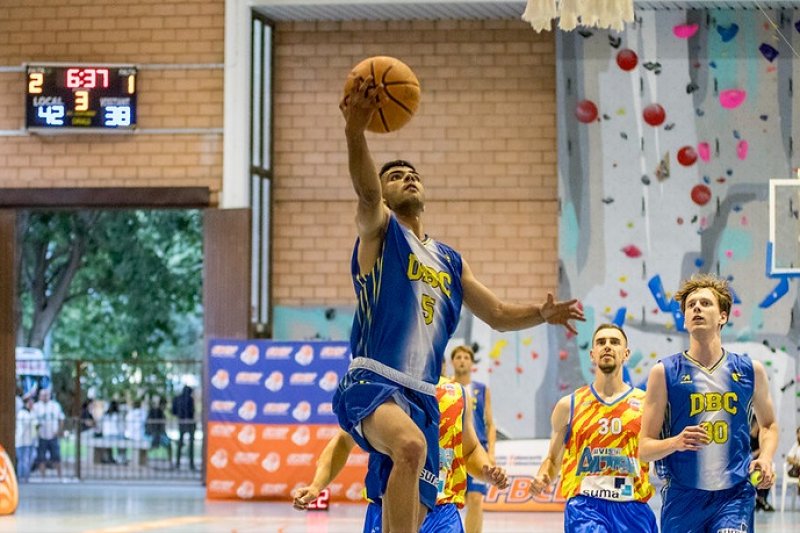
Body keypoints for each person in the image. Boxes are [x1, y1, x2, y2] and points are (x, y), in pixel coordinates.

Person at [334, 72, 585, 532]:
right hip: (372, 380)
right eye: (395, 175)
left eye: (413, 174)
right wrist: (355, 129)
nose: (406, 178)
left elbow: (499, 315)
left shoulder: (450, 260)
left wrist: (542, 314)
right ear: (385, 192)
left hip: (424, 393)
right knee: (410, 446)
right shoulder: (380, 231)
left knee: (418, 502)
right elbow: (366, 192)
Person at [639, 273, 779, 533]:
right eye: (691, 305)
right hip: (683, 498)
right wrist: (676, 442)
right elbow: (644, 448)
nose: (697, 308)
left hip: (734, 496)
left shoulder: (750, 370)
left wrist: (767, 458)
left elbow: (769, 424)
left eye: (705, 303)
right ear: (684, 320)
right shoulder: (664, 372)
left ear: (723, 316)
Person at [295, 372, 508, 532]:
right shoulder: (383, 393)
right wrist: (316, 486)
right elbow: (342, 442)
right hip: (385, 510)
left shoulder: (455, 394)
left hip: (441, 511)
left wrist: (486, 470)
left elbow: (469, 451)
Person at [529, 324, 657, 533]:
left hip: (633, 507)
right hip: (585, 507)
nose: (607, 346)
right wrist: (544, 476)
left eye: (614, 342)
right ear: (592, 355)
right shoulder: (568, 405)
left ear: (626, 354)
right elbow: (553, 460)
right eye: (601, 342)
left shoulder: (646, 405)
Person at [450, 345, 495, 533]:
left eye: (466, 357)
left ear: (472, 363)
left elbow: (490, 424)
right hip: (452, 451)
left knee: (476, 499)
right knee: (451, 500)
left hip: (477, 450)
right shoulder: (447, 387)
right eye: (458, 357)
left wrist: (490, 453)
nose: (462, 360)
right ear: (452, 361)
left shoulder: (481, 390)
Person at [32, 388, 65, 478]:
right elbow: (33, 421)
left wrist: (59, 431)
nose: (45, 397)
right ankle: (43, 477)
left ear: (50, 395)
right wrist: (36, 431)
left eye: (46, 395)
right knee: (41, 458)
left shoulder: (55, 406)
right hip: (42, 436)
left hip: (53, 435)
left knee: (57, 457)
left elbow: (61, 418)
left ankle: (60, 476)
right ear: (39, 396)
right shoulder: (36, 406)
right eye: (43, 395)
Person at [749, 414, 774, 511]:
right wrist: (758, 452)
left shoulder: (762, 437)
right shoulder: (748, 438)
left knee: (766, 474)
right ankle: (759, 500)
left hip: (759, 466)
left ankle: (762, 500)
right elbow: (749, 455)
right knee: (756, 476)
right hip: (750, 467)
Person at [172, 385, 196, 470]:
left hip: (182, 422)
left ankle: (178, 463)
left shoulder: (177, 398)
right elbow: (192, 411)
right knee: (190, 444)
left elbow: (173, 411)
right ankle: (191, 464)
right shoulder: (190, 399)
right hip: (189, 422)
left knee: (181, 443)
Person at [15, 395, 38, 483]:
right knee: (22, 460)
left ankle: (26, 477)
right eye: (30, 403)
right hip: (21, 441)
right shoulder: (22, 413)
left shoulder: (32, 413)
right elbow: (26, 424)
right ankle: (22, 478)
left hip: (30, 441)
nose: (31, 405)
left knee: (29, 459)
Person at [146, 397, 172, 464]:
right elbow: (150, 424)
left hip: (160, 435)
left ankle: (170, 462)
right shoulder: (155, 412)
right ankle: (146, 459)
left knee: (168, 444)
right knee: (153, 445)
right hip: (154, 435)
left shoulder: (162, 413)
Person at [100, 400, 126, 464]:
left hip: (106, 435)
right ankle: (120, 459)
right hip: (116, 436)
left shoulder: (105, 415)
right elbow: (121, 428)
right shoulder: (118, 415)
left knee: (109, 445)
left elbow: (101, 426)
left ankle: (109, 458)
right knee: (122, 443)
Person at [786, 426, 800, 494]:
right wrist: (797, 462)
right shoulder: (796, 445)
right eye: (798, 433)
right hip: (796, 469)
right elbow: (788, 458)